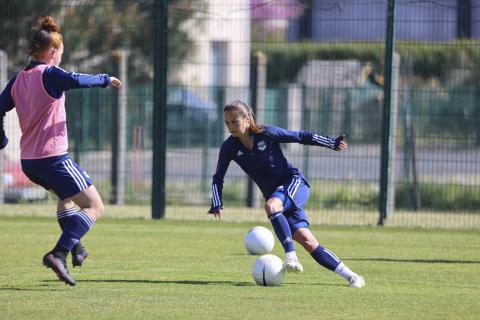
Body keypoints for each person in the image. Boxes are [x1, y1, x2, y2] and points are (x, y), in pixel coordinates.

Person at [0, 16, 122, 286]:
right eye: (61, 52)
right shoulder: (49, 74)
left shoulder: (17, 80)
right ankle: (59, 253)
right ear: (53, 52)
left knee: (66, 199)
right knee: (94, 206)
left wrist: (1, 139)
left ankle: (75, 246)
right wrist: (105, 79)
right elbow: (77, 79)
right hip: (53, 158)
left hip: (29, 161)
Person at [208, 100, 365, 288]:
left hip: (293, 183)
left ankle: (291, 257)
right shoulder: (229, 147)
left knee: (271, 206)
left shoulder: (267, 133)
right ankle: (353, 277)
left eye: (234, 121)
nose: (230, 126)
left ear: (247, 119)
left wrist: (331, 143)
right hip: (278, 198)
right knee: (308, 242)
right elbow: (218, 177)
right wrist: (216, 202)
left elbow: (300, 136)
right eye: (227, 123)